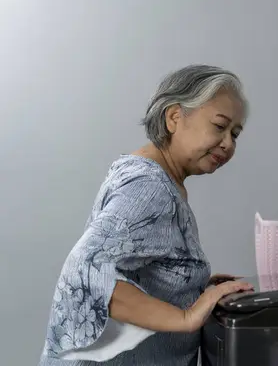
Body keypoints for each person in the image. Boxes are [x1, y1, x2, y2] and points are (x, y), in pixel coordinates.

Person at [39, 65, 254, 365]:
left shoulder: (154, 177)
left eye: (235, 134)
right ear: (174, 117)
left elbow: (131, 268)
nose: (228, 143)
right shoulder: (150, 188)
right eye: (220, 126)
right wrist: (185, 316)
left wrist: (191, 286)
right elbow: (86, 270)